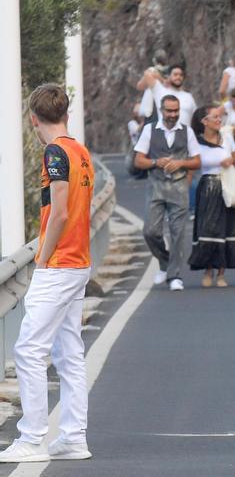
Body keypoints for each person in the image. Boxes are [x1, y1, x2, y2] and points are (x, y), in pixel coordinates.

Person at [0, 85, 95, 462]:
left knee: (28, 350)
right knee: (69, 352)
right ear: (66, 114)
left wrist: (41, 259)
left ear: (33, 119)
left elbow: (59, 212)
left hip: (58, 265)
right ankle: (73, 437)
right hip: (79, 263)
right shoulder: (80, 150)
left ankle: (33, 438)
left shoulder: (54, 152)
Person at [133, 95, 202, 290]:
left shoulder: (187, 132)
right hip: (156, 186)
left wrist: (180, 163)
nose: (172, 115)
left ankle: (175, 276)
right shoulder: (149, 130)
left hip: (179, 187)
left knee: (178, 232)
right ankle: (165, 263)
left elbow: (197, 161)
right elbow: (138, 160)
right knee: (150, 231)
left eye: (175, 111)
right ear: (161, 111)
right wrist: (156, 162)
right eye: (169, 111)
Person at [188, 105, 235, 287]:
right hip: (208, 186)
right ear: (204, 121)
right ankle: (208, 270)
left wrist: (231, 160)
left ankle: (221, 273)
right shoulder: (195, 141)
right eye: (214, 117)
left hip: (227, 184)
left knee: (228, 227)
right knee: (208, 229)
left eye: (219, 117)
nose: (218, 120)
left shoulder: (226, 136)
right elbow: (193, 165)